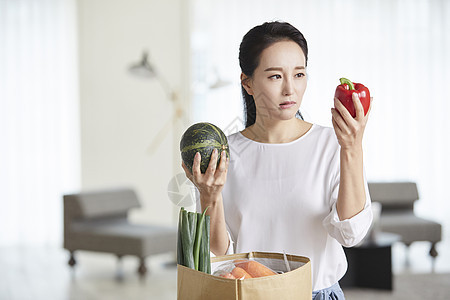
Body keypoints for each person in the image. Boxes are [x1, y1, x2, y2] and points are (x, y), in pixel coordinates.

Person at [182, 21, 373, 299]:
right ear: (247, 82)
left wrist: (352, 148)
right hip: (250, 294)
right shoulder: (224, 154)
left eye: (298, 74)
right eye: (275, 77)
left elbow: (351, 235)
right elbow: (218, 256)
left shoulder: (333, 144)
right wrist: (208, 196)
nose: (290, 90)